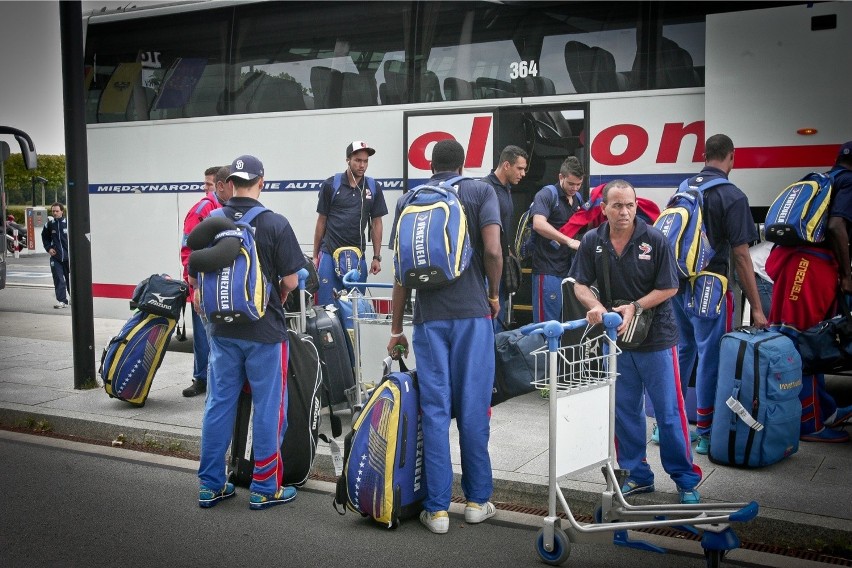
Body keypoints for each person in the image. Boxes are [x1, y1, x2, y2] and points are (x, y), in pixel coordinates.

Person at [386, 139, 502, 534]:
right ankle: (476, 501)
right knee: (473, 409)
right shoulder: (480, 190)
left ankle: (436, 510)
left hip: (428, 318)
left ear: (430, 165)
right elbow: (493, 251)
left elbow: (401, 270)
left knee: (434, 412)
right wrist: (493, 294)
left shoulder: (409, 200)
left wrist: (396, 328)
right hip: (472, 316)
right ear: (463, 163)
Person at [570, 179, 702, 504]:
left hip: (656, 339)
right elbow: (579, 284)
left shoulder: (654, 239)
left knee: (669, 414)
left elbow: (670, 287)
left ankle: (685, 480)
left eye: (629, 205)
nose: (625, 211)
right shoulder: (592, 241)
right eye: (617, 205)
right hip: (617, 340)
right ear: (604, 210)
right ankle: (636, 475)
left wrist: (636, 306)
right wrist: (596, 307)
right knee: (624, 412)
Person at [191, 154, 304, 510]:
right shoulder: (274, 223)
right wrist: (282, 293)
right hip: (265, 332)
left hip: (222, 329)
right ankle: (264, 487)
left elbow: (197, 275)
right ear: (261, 182)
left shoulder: (212, 219)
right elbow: (289, 279)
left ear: (231, 184)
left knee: (219, 404)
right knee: (269, 407)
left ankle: (211, 485)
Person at [670, 134, 767, 455]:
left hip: (677, 283)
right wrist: (757, 308)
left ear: (704, 154)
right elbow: (742, 257)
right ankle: (707, 433)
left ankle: (666, 426)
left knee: (681, 352)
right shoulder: (732, 196)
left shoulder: (684, 188)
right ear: (731, 157)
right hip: (711, 287)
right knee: (710, 356)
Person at [765, 140, 852, 443]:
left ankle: (823, 409)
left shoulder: (827, 179)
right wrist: (847, 275)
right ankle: (809, 425)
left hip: (795, 263)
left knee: (799, 338)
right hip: (811, 268)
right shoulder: (849, 183)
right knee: (803, 344)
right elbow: (838, 226)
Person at [313, 141, 388, 305]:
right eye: (357, 160)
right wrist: (315, 256)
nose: (362, 165)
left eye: (365, 161)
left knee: (355, 310)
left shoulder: (373, 187)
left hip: (357, 256)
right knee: (327, 309)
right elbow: (321, 221)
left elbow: (377, 223)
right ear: (348, 160)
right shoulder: (331, 185)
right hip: (329, 254)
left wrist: (376, 257)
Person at [179, 166, 225, 398]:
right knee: (202, 334)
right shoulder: (204, 208)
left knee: (216, 334)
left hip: (220, 282)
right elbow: (189, 249)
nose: (204, 189)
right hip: (204, 283)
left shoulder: (225, 207)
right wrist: (194, 285)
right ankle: (201, 379)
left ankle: (214, 378)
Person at [480, 145, 528, 330]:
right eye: (520, 168)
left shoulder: (506, 188)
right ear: (506, 165)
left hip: (500, 263)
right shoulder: (486, 188)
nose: (523, 174)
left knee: (499, 319)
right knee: (488, 319)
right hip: (487, 267)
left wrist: (509, 254)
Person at [530, 156, 583, 323]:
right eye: (571, 184)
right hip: (547, 270)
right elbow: (538, 224)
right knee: (547, 326)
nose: (575, 188)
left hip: (570, 271)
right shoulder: (546, 195)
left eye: (578, 184)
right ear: (561, 177)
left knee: (567, 326)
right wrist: (568, 241)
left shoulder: (578, 199)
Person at [41, 202, 70, 309]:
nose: (55, 213)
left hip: (69, 258)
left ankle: (74, 299)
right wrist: (49, 248)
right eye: (53, 211)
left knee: (70, 279)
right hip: (56, 258)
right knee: (58, 279)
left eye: (57, 211)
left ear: (62, 211)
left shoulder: (69, 223)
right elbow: (45, 238)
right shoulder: (49, 224)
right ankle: (62, 301)